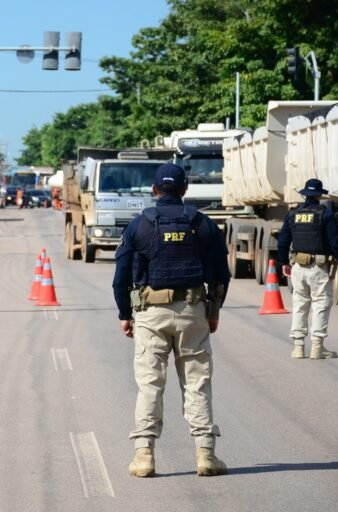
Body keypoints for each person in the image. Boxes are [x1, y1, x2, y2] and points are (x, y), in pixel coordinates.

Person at [112, 163, 230, 478]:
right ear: (184, 190)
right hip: (194, 311)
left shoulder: (139, 226)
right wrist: (214, 311)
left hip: (151, 314)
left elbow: (121, 275)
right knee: (197, 382)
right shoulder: (203, 224)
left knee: (150, 384)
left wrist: (126, 314)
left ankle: (144, 457)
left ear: (154, 190)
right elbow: (221, 273)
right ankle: (206, 455)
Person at [277, 178, 338, 360]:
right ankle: (317, 347)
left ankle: (298, 347)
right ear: (319, 195)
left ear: (304, 194)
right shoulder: (325, 215)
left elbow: (283, 241)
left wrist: (284, 263)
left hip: (298, 267)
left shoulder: (293, 214)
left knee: (300, 304)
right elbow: (335, 242)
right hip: (318, 267)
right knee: (321, 304)